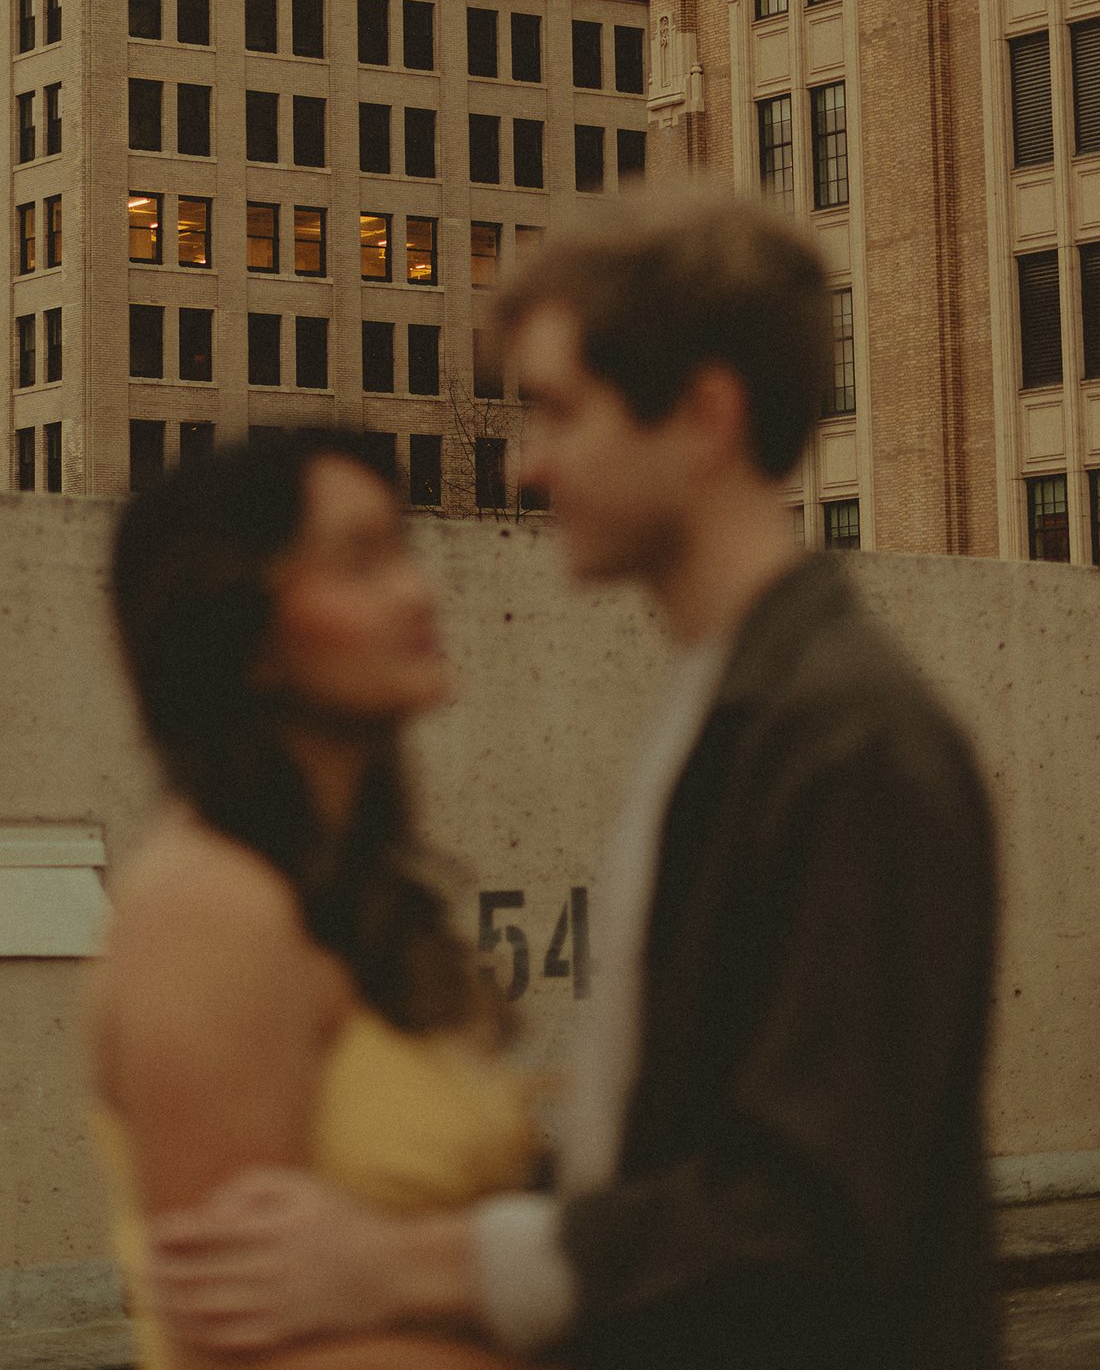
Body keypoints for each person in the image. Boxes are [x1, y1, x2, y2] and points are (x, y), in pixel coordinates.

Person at [148, 188, 1001, 1369]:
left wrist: (404, 1262)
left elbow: (811, 1219)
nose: (528, 464)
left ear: (703, 414)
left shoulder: (846, 741)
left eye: (557, 409)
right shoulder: (735, 710)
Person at [95, 426, 534, 1370]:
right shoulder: (210, 913)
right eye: (359, 562)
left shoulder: (357, 898)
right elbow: (238, 1351)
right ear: (242, 636)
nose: (417, 591)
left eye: (404, 551)